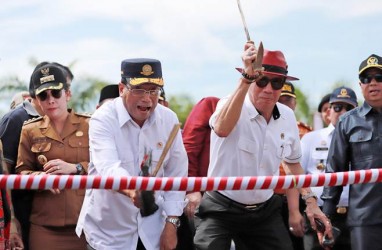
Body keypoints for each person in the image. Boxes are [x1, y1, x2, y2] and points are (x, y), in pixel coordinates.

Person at [193, 42, 333, 250]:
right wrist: (245, 80)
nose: (269, 88)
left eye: (277, 83)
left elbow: (293, 164)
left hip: (264, 211)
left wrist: (311, 203)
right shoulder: (228, 104)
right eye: (262, 80)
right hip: (221, 207)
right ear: (251, 79)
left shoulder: (287, 116)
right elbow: (222, 129)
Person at [76, 58, 187, 250]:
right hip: (109, 234)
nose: (147, 98)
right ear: (121, 89)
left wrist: (172, 223)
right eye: (139, 90)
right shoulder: (102, 119)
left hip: (154, 232)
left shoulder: (169, 119)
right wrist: (132, 190)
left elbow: (177, 174)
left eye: (153, 91)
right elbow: (108, 168)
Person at [0, 61, 73, 250]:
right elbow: (5, 177)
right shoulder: (15, 120)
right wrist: (12, 221)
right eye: (46, 92)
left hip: (58, 221)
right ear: (34, 93)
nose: (54, 96)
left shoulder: (64, 121)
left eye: (60, 89)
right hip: (23, 218)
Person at [15, 63, 89, 250]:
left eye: (56, 93)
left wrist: (76, 168)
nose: (50, 100)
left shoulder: (90, 125)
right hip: (44, 225)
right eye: (43, 95)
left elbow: (105, 166)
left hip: (85, 224)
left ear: (68, 94)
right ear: (37, 100)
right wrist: (41, 178)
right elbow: (21, 172)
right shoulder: (29, 130)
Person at [321, 54, 382, 250]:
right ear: (360, 84)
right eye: (367, 78)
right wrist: (327, 216)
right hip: (365, 218)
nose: (373, 83)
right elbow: (334, 171)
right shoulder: (347, 122)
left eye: (379, 77)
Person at [302, 86, 357, 250]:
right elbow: (297, 177)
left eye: (349, 108)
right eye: (338, 107)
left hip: (355, 215)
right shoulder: (310, 139)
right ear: (328, 111)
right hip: (318, 212)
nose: (343, 112)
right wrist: (295, 211)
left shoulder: (363, 139)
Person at [276, 82, 311, 250]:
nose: (284, 104)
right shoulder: (260, 127)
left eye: (288, 100)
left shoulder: (306, 132)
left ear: (294, 103)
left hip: (298, 198)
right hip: (268, 199)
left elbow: (295, 168)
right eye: (280, 100)